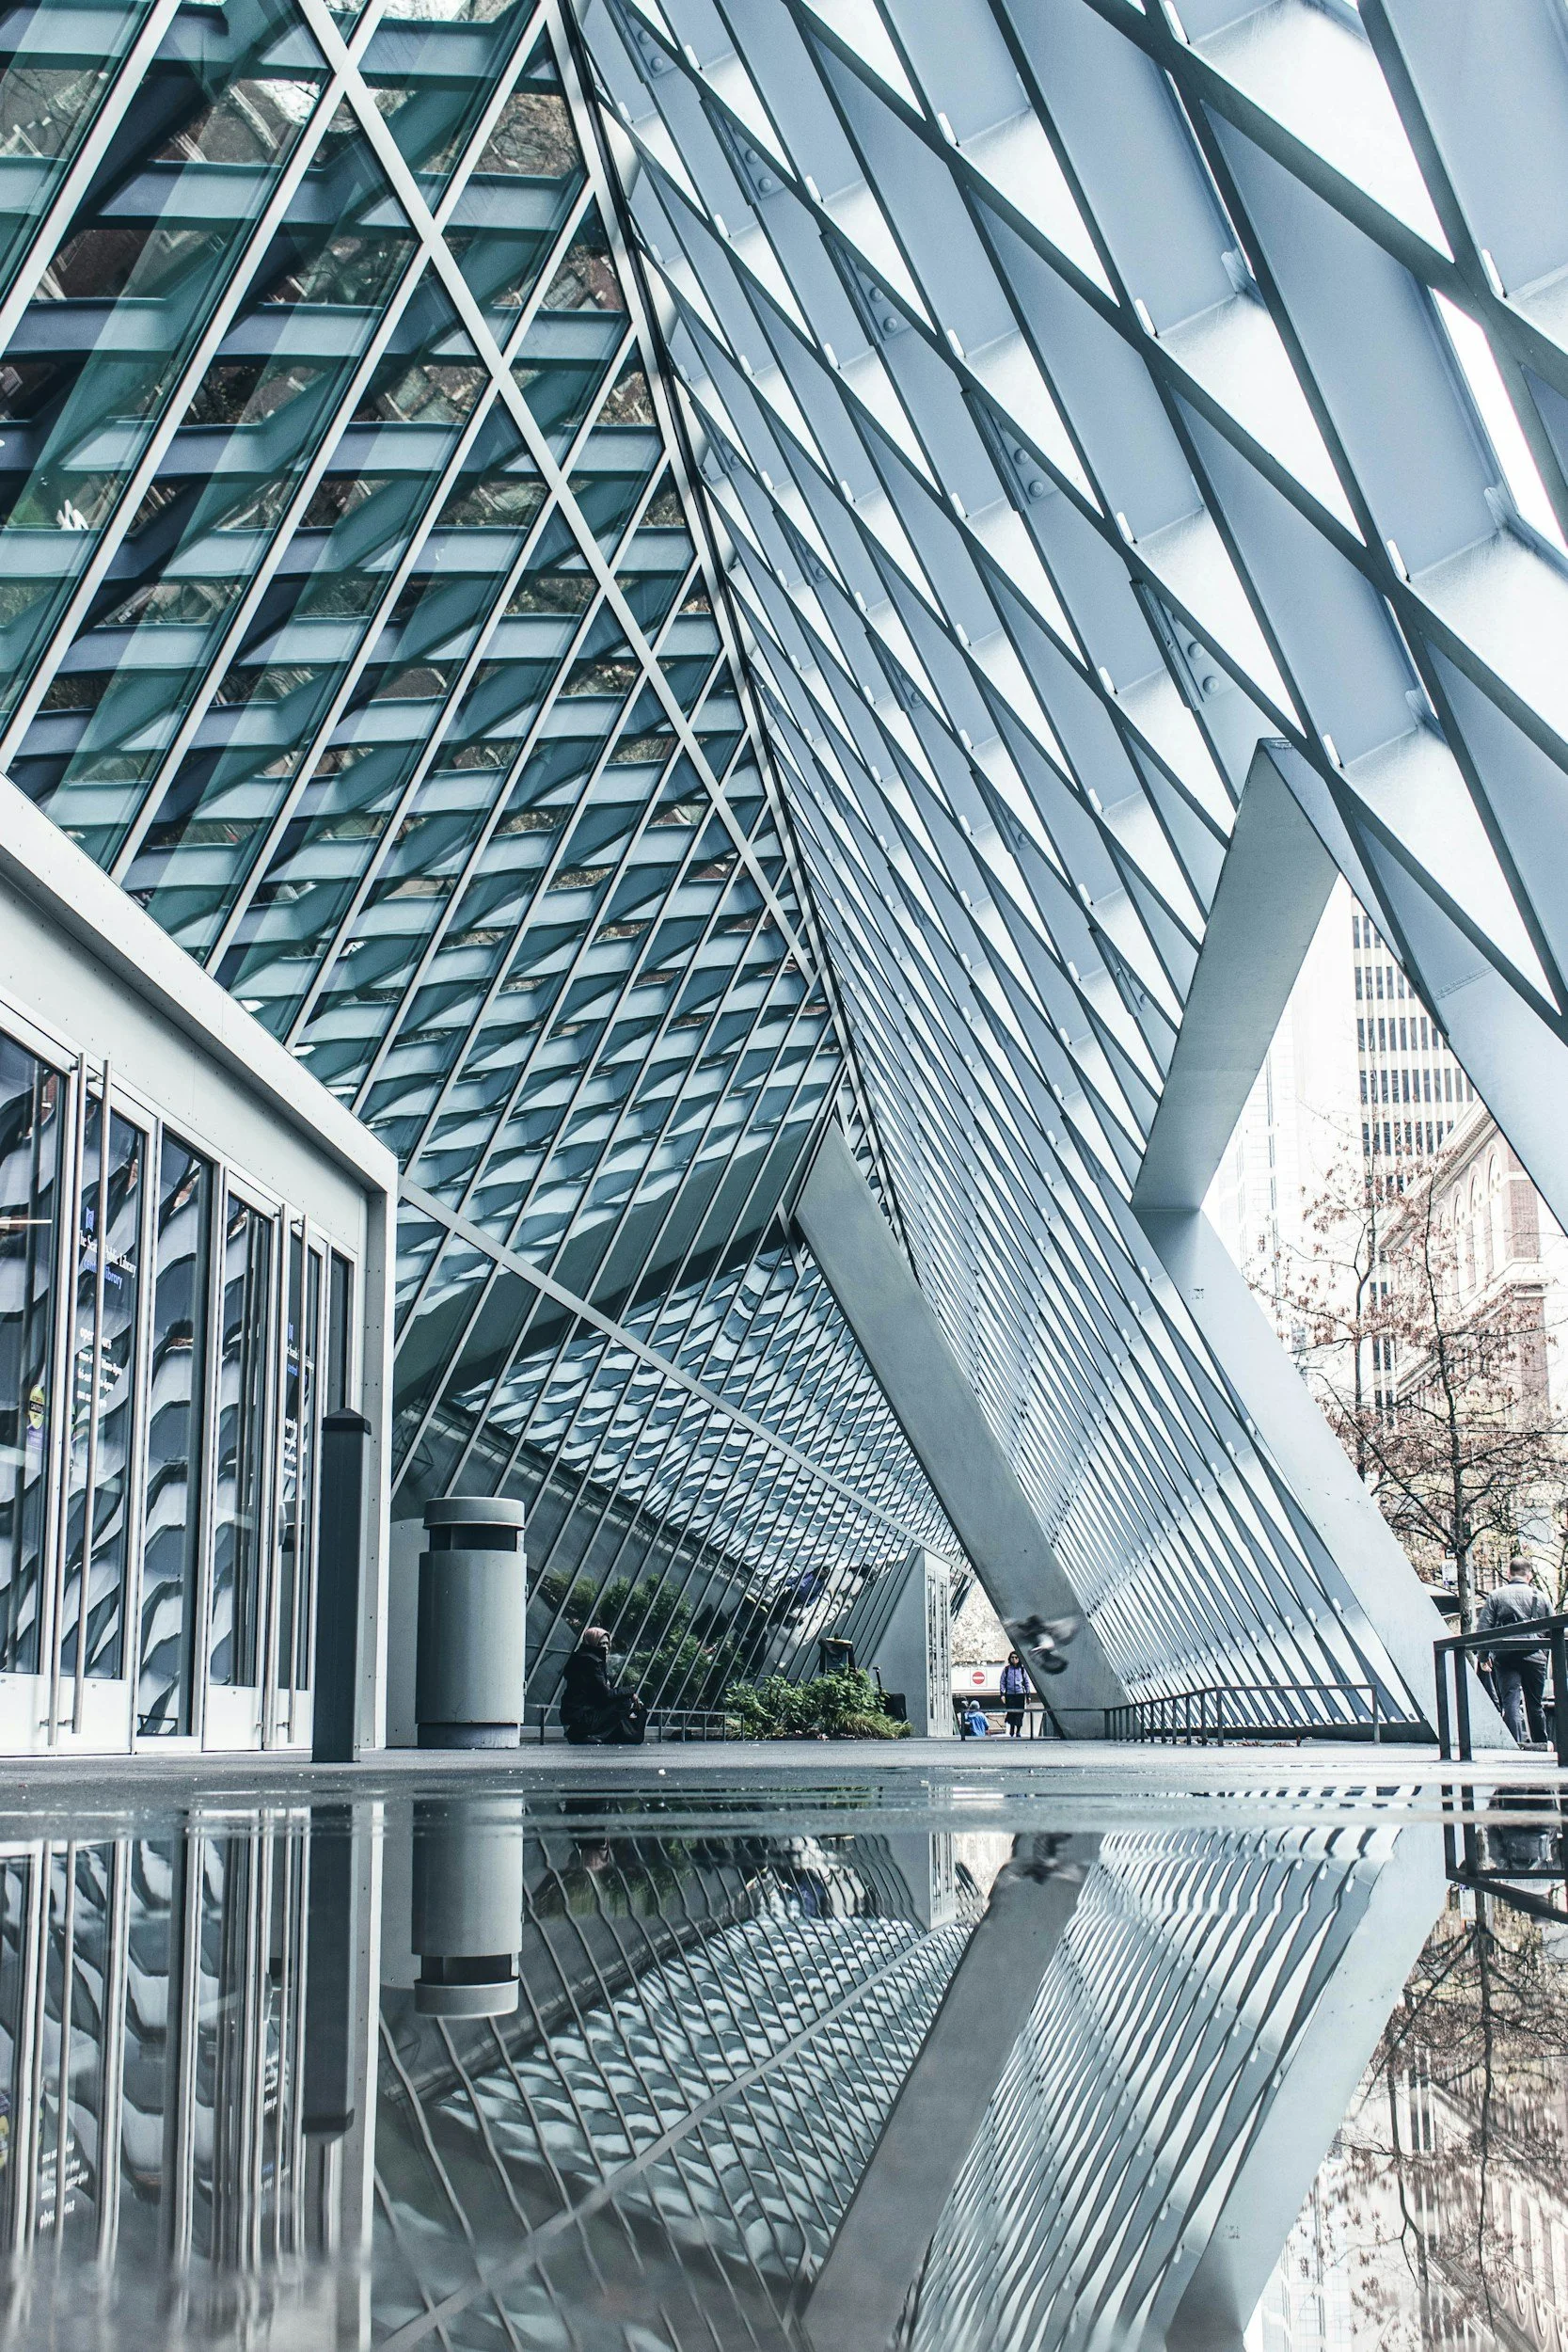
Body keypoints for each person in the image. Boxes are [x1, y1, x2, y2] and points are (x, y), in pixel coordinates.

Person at [1477, 1559, 1552, 1747]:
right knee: (1534, 1704)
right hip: (1535, 1656)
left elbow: (1484, 1628)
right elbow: (1552, 1629)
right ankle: (1541, 1744)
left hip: (1505, 1656)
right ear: (1529, 1576)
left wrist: (1483, 1657)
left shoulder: (1495, 1596)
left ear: (1509, 1574)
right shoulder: (1541, 1597)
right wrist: (1546, 1654)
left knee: (1510, 1701)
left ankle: (1514, 1746)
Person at [560, 1628, 646, 1746]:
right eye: (601, 1644)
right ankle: (592, 1736)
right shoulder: (591, 1662)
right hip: (581, 1719)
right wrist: (630, 1691)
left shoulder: (583, 1658)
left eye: (607, 1643)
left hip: (575, 1718)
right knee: (623, 1702)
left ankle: (593, 1735)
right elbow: (606, 1695)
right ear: (593, 1644)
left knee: (620, 1701)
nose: (605, 1647)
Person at [1001, 1651, 1029, 1739]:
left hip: (1020, 1694)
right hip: (1009, 1694)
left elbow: (1026, 1682)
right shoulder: (1007, 1669)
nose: (1014, 1659)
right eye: (1012, 1657)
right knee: (1011, 1712)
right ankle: (1012, 1728)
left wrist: (1028, 1695)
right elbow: (1002, 1682)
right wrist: (1002, 1694)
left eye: (1016, 1657)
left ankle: (1018, 1731)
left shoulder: (1022, 1670)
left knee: (1020, 1713)